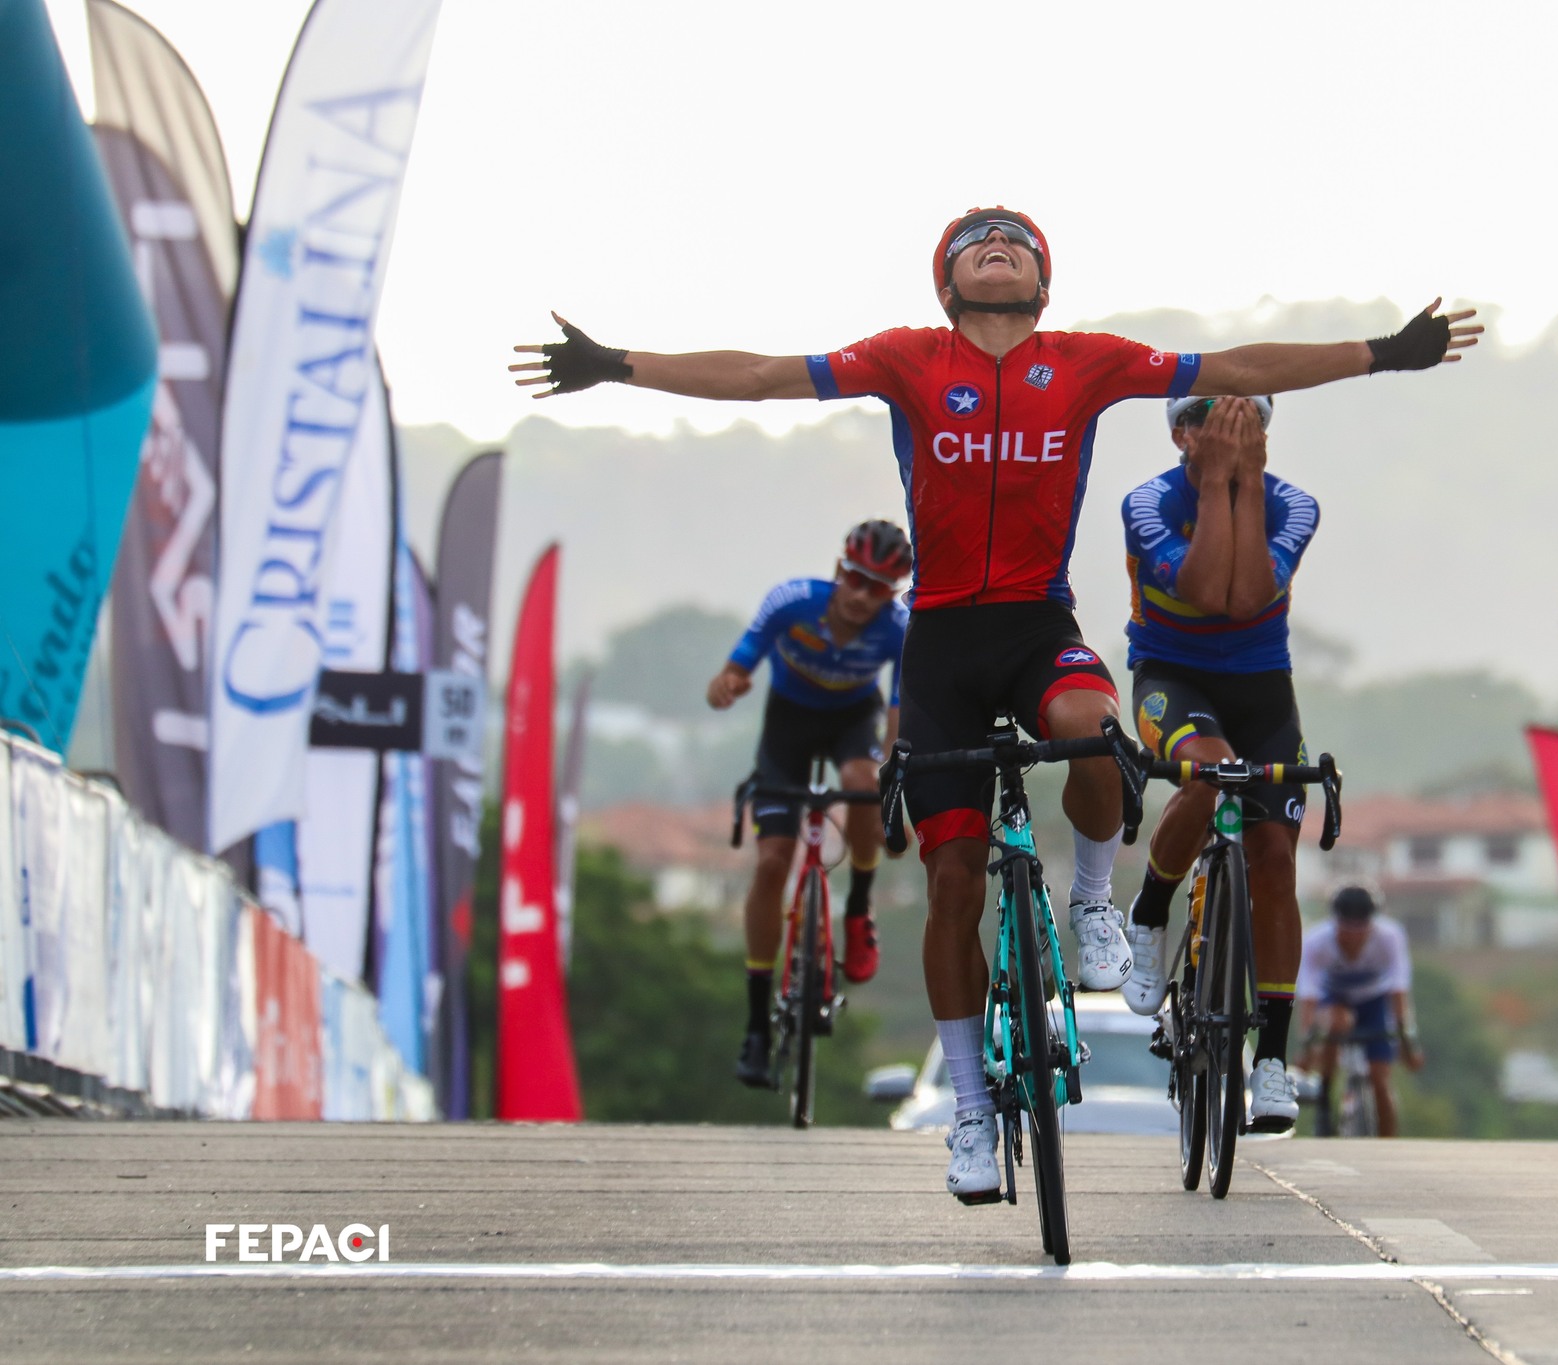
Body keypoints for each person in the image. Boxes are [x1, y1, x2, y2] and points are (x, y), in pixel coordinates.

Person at [511, 208, 1482, 1199]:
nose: (994, 241)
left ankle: (1093, 901)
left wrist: (1384, 354)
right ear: (945, 282)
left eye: (1013, 238)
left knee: (1098, 739)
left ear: (1042, 280)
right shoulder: (904, 359)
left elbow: (1233, 364)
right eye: (972, 239)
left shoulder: (1089, 360)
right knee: (953, 884)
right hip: (938, 640)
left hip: (1033, 625)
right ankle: (971, 1112)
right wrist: (616, 365)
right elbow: (759, 376)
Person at [1116, 393, 1317, 1133]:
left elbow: (1253, 595)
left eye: (1250, 419)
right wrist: (1212, 488)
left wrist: (1249, 483)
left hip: (1264, 689)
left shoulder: (1294, 504)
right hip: (1173, 677)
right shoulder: (1149, 501)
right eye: (1211, 418)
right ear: (1180, 435)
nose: (1234, 431)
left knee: (1275, 858)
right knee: (1210, 773)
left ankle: (1271, 1059)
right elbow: (1210, 594)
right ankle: (1149, 913)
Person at [713, 521, 912, 1087]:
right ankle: (756, 1025)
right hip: (788, 725)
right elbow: (735, 666)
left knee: (864, 778)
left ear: (892, 593)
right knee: (773, 862)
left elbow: (895, 727)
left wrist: (894, 786)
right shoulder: (791, 603)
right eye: (852, 577)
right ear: (836, 570)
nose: (858, 594)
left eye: (875, 587)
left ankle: (859, 911)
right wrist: (726, 685)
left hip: (853, 721)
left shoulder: (899, 631)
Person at [1297, 887, 1422, 1138]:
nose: (1354, 936)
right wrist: (1308, 1047)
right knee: (1338, 1022)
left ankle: (1388, 1143)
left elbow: (1398, 993)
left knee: (1380, 1079)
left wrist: (1407, 1043)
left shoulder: (1389, 937)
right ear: (1335, 923)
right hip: (1334, 998)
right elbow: (1309, 999)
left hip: (1373, 1000)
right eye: (1346, 929)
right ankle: (1326, 1093)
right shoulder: (1316, 941)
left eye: (1361, 929)